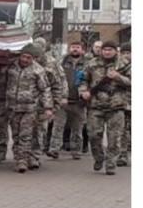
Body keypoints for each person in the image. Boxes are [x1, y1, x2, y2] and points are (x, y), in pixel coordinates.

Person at [78, 40, 130, 176]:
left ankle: (111, 163)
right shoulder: (92, 64)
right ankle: (99, 157)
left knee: (114, 138)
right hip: (96, 106)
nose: (107, 52)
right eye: (105, 49)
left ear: (115, 51)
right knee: (94, 135)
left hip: (116, 106)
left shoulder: (125, 64)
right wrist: (83, 92)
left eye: (110, 49)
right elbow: (83, 79)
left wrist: (119, 77)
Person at [4, 49, 54, 173]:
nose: (25, 60)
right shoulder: (11, 67)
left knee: (25, 135)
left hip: (30, 108)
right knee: (15, 135)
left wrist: (48, 107)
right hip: (13, 107)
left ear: (33, 58)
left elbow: (45, 90)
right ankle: (18, 157)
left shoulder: (38, 70)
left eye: (28, 57)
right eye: (23, 57)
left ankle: (23, 161)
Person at [33, 38, 68, 160]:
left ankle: (36, 154)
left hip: (46, 100)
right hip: (30, 100)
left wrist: (62, 97)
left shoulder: (52, 62)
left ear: (44, 48)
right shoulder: (29, 60)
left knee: (41, 129)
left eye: (40, 47)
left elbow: (61, 80)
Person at [56, 37, 90, 158]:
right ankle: (54, 149)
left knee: (77, 128)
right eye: (73, 47)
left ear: (82, 50)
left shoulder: (88, 63)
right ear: (69, 49)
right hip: (63, 99)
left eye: (77, 47)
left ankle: (76, 150)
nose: (75, 49)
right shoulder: (62, 62)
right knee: (58, 126)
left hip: (79, 101)